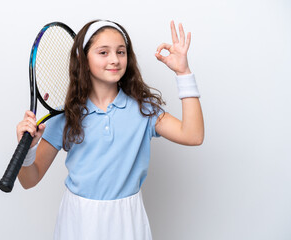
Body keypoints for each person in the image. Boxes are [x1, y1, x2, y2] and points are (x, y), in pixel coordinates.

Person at [16, 19, 204, 240]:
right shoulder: (66, 116)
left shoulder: (144, 110)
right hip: (78, 220)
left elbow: (193, 135)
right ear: (83, 60)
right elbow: (29, 180)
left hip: (128, 220)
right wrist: (27, 148)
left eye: (121, 52)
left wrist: (183, 73)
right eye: (103, 52)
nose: (114, 59)